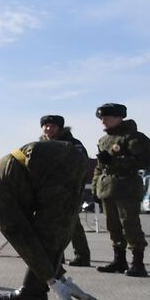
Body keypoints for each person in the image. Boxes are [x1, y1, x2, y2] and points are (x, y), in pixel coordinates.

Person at [0, 138, 96, 300]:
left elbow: (23, 239)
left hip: (55, 165)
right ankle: (34, 292)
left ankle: (33, 293)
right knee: (55, 231)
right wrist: (59, 279)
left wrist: (52, 282)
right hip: (69, 161)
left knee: (46, 233)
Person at [92, 103, 150, 277]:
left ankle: (138, 263)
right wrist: (96, 186)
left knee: (130, 224)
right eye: (101, 118)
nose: (103, 121)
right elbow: (99, 167)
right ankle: (119, 260)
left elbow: (145, 161)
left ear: (119, 118)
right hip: (107, 189)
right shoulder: (104, 140)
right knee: (113, 226)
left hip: (127, 188)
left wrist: (116, 161)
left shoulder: (133, 137)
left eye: (107, 117)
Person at [39, 114, 91, 266]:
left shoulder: (73, 144)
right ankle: (56, 256)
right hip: (47, 190)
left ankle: (82, 256)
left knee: (72, 223)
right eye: (46, 126)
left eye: (53, 126)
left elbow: (81, 165)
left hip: (68, 189)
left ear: (60, 128)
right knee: (49, 224)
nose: (48, 129)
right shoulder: (41, 144)